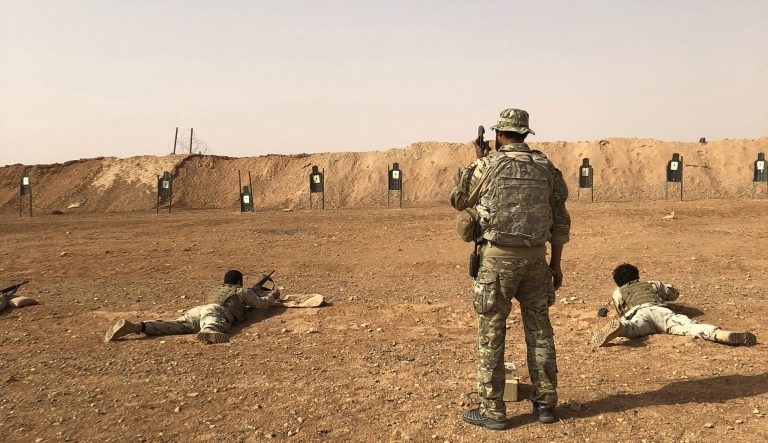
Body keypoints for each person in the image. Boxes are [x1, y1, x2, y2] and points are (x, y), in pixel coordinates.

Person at [451, 108, 571, 430]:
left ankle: (494, 412)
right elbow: (559, 221)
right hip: (536, 261)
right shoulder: (546, 168)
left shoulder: (487, 165)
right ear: (525, 134)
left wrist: (477, 160)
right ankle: (546, 403)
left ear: (499, 135)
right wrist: (555, 265)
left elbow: (459, 200)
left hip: (496, 263)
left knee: (492, 333)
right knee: (540, 331)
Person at [591, 263, 757, 347]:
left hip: (638, 314)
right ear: (637, 275)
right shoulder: (652, 284)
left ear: (618, 282)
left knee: (633, 328)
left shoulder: (618, 293)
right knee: (688, 326)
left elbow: (621, 310)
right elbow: (673, 292)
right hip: (659, 310)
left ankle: (621, 329)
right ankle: (719, 334)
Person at [105, 270, 277, 344]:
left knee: (175, 325)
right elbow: (259, 303)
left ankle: (138, 326)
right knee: (213, 326)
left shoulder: (217, 289)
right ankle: (209, 332)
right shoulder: (241, 290)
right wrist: (272, 296)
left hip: (198, 310)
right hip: (215, 312)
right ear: (239, 282)